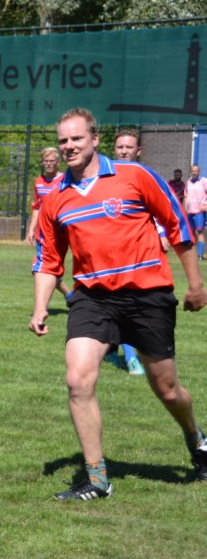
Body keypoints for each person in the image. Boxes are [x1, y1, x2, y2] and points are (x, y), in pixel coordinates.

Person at [30, 108, 207, 500]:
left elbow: (178, 225)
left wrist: (196, 285)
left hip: (147, 297)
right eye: (63, 140)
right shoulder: (56, 198)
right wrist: (40, 306)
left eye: (76, 138)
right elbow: (48, 260)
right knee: (78, 379)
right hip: (93, 299)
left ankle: (197, 439)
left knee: (167, 390)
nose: (69, 146)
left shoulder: (135, 176)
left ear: (95, 139)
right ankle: (97, 480)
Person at [109, 128, 167, 375]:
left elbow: (160, 210)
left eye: (129, 147)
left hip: (139, 253)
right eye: (120, 147)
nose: (124, 151)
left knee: (133, 304)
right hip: (111, 253)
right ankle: (131, 358)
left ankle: (119, 350)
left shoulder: (146, 177)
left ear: (139, 151)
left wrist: (162, 234)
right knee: (118, 304)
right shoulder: (105, 177)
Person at [25, 146, 73, 303]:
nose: (49, 164)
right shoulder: (38, 182)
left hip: (63, 230)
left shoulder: (65, 179)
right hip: (44, 233)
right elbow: (37, 207)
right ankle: (48, 305)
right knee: (42, 268)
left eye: (52, 161)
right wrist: (31, 229)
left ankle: (72, 296)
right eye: (46, 161)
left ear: (58, 162)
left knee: (48, 269)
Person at [184, 164, 207, 259]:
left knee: (199, 232)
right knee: (191, 233)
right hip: (190, 212)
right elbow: (186, 196)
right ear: (190, 172)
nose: (194, 172)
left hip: (199, 211)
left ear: (199, 172)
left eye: (196, 171)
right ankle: (193, 254)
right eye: (193, 171)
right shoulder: (188, 182)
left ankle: (200, 254)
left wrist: (206, 206)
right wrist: (185, 209)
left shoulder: (204, 181)